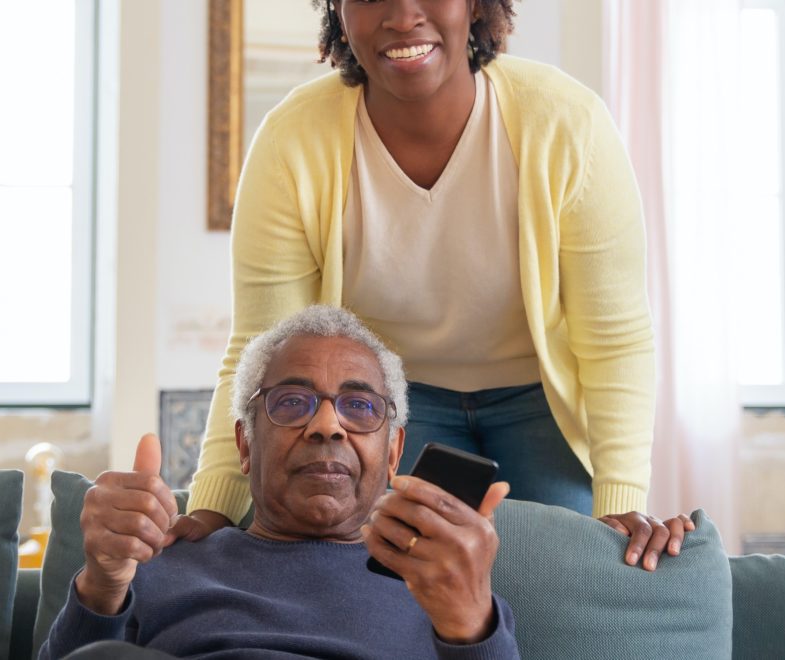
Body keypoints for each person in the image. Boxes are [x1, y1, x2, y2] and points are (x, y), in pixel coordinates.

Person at [175, 0, 688, 572]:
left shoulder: (567, 124)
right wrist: (213, 508)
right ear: (339, 14)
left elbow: (615, 340)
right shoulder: (291, 141)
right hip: (391, 404)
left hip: (541, 402)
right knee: (379, 577)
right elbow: (261, 349)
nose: (402, 15)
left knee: (566, 574)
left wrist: (619, 506)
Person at [40, 306, 519, 659]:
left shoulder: (446, 583)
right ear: (245, 445)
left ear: (393, 452)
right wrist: (103, 583)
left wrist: (466, 619)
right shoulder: (155, 559)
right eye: (292, 402)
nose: (327, 425)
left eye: (359, 406)